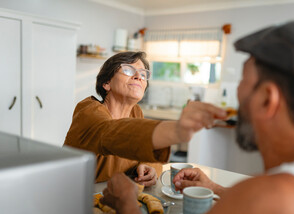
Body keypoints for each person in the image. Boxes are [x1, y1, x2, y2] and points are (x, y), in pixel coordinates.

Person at [101, 20, 294, 214]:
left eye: (243, 84)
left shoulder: (270, 198)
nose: (237, 95)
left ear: (268, 99)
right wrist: (215, 188)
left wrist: (125, 200)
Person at [64, 51, 227, 185]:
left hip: (115, 194)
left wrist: (146, 166)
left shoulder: (136, 112)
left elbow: (144, 153)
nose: (138, 76)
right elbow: (113, 134)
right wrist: (177, 130)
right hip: (75, 194)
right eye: (128, 70)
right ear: (106, 83)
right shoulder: (88, 110)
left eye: (143, 73)